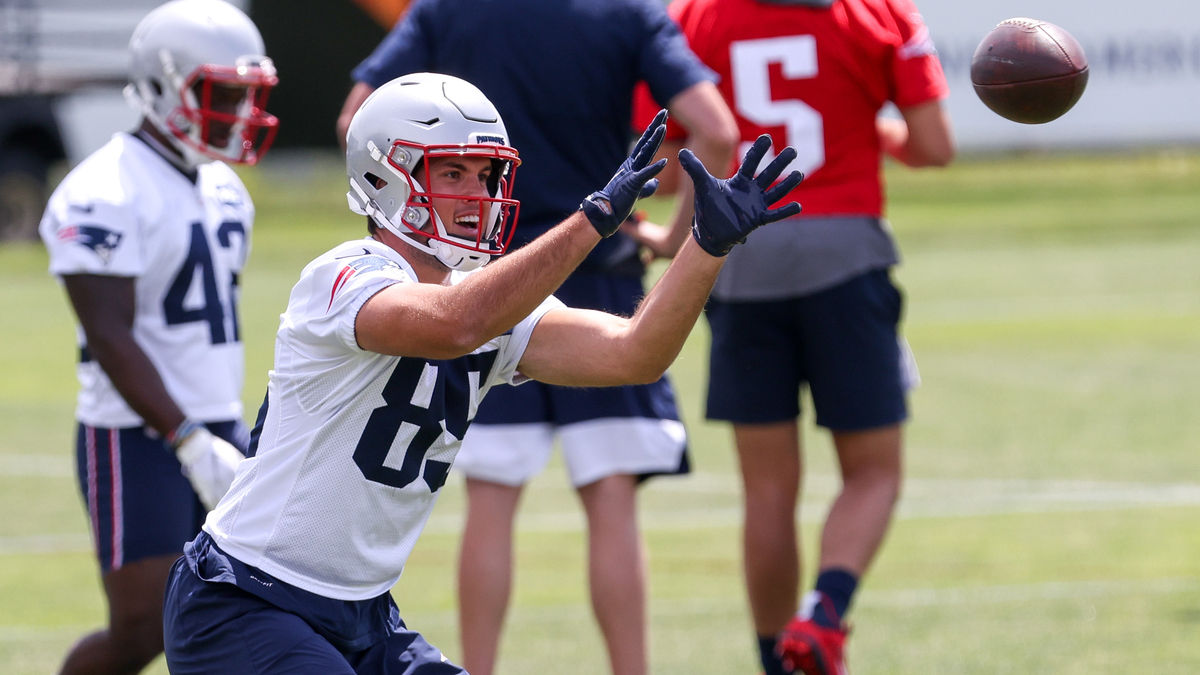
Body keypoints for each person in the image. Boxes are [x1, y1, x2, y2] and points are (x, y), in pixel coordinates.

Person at [161, 72, 800, 675]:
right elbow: (453, 326)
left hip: (365, 613)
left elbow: (634, 354)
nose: (476, 194)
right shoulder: (343, 275)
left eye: (486, 173)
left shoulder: (486, 297)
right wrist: (592, 221)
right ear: (386, 175)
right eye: (452, 172)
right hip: (246, 599)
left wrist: (706, 247)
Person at [336, 3, 739, 675]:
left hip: (480, 277)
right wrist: (672, 237)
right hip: (601, 267)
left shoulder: (447, 9)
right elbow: (719, 133)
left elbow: (358, 120)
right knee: (611, 497)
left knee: (492, 494)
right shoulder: (627, 12)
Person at [631, 0, 955, 673]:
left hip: (741, 261)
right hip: (846, 253)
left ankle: (774, 659)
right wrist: (869, 131)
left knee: (768, 490)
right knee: (873, 472)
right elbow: (934, 146)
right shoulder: (877, 14)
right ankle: (825, 612)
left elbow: (662, 167)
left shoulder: (693, 17)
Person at [36, 1, 279, 673]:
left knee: (258, 607)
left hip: (221, 424)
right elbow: (109, 335)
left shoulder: (227, 188)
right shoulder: (102, 190)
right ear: (162, 85)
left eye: (247, 93)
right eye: (222, 92)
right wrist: (187, 436)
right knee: (144, 626)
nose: (238, 109)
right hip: (135, 435)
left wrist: (219, 432)